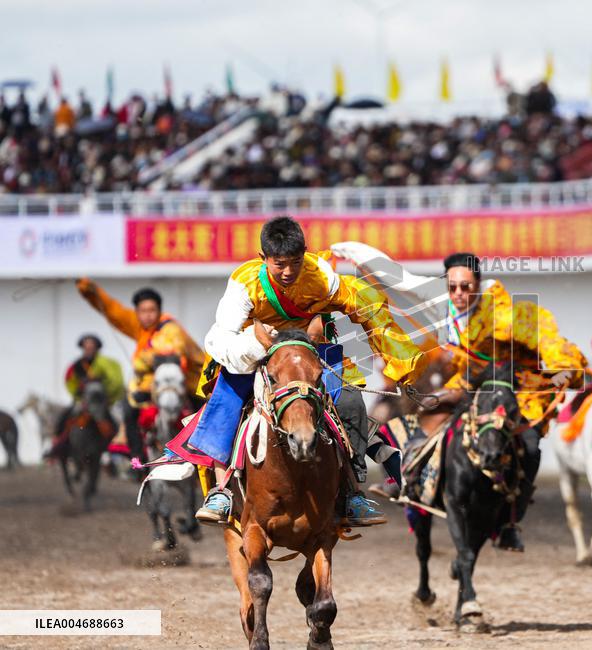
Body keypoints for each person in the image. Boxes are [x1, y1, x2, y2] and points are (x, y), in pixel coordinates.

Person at [330, 241, 588, 551]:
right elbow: (402, 279)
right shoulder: (445, 302)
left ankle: (510, 522)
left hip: (513, 390)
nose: (458, 294)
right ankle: (409, 484)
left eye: (466, 287)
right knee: (411, 422)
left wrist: (562, 369)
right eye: (452, 287)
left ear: (479, 285)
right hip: (467, 384)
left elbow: (550, 341)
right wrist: (355, 253)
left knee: (530, 447)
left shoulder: (511, 314)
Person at [169, 216, 425, 527]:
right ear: (263, 258)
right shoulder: (244, 284)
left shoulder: (322, 277)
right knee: (227, 398)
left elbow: (369, 303)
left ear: (305, 252)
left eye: (295, 261)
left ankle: (352, 491)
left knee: (349, 402)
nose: (289, 271)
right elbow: (220, 338)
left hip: (311, 351)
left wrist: (403, 369)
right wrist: (255, 346)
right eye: (279, 264)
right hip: (258, 352)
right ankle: (221, 491)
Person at [75, 279, 204, 464]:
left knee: (204, 418)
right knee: (129, 411)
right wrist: (90, 291)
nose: (148, 315)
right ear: (137, 313)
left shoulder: (170, 328)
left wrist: (143, 360)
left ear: (159, 311)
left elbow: (168, 353)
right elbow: (114, 311)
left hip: (187, 383)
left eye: (152, 310)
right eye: (143, 311)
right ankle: (138, 460)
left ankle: (206, 458)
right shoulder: (141, 327)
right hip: (152, 385)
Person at [49, 334, 125, 459]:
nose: (89, 348)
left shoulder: (107, 364)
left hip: (104, 401)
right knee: (66, 416)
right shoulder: (77, 365)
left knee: (116, 421)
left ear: (96, 348)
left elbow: (115, 381)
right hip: (83, 400)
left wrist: (107, 396)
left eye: (91, 346)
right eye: (86, 346)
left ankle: (118, 447)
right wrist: (77, 394)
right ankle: (58, 444)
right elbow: (70, 381)